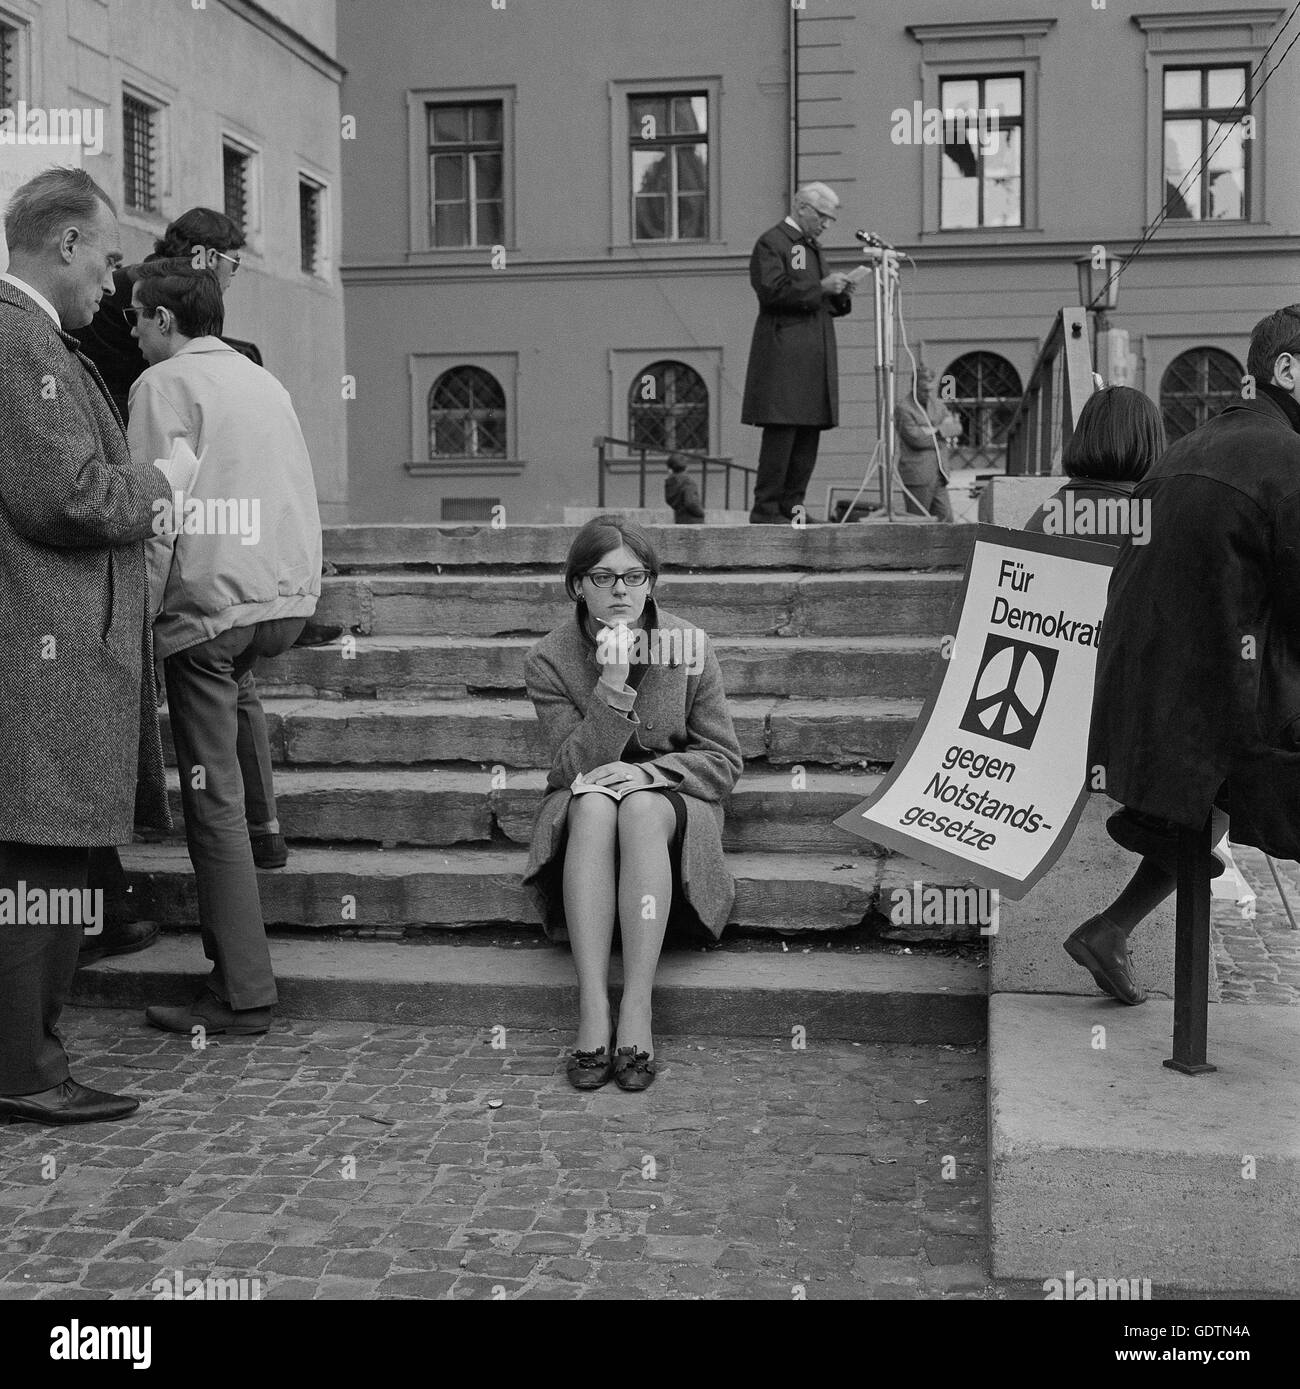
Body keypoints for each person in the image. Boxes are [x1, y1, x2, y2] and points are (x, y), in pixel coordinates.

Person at [0, 167, 171, 1124]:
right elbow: (66, 495)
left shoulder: (30, 338)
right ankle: (24, 1071)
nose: (112, 286)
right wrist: (158, 482)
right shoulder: (18, 339)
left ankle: (26, 1060)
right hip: (41, 657)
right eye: (106, 262)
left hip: (42, 654)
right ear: (63, 244)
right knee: (41, 867)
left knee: (46, 864)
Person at [125, 261, 323, 1038]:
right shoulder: (260, 379)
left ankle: (242, 991)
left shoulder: (162, 386)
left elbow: (151, 512)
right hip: (280, 598)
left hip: (209, 610)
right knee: (232, 778)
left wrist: (133, 626)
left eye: (138, 317)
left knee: (211, 805)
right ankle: (268, 840)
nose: (132, 331)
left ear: (167, 321)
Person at [1087, 312, 1300, 1003]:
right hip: (1209, 726)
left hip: (1136, 719)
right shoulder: (1288, 459)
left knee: (1205, 791)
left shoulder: (1183, 449)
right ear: (1289, 370)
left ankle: (1112, 926)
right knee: (1229, 763)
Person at [523, 516, 742, 1090]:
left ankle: (637, 1009)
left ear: (650, 583)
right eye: (603, 576)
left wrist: (647, 773)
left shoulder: (689, 645)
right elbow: (569, 771)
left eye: (634, 575)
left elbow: (722, 761)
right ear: (577, 586)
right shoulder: (549, 658)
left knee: (639, 808)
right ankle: (593, 1008)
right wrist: (612, 685)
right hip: (584, 802)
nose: (621, 590)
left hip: (670, 800)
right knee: (595, 806)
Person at [741, 182, 854, 524]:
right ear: (802, 207)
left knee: (806, 436)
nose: (826, 224)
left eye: (830, 219)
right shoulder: (772, 243)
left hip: (809, 354)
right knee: (783, 433)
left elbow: (816, 299)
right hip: (784, 355)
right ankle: (766, 510)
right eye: (822, 216)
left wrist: (840, 291)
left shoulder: (809, 246)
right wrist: (821, 287)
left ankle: (793, 507)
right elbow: (772, 292)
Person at [896, 365, 957, 521]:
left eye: (931, 389)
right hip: (918, 476)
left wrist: (931, 430)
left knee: (947, 521)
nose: (928, 394)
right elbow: (916, 439)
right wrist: (941, 430)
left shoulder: (937, 404)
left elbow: (956, 428)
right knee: (919, 523)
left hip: (939, 474)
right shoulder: (904, 408)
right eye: (924, 390)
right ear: (914, 386)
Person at [664, 453, 704, 524]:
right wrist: (701, 513)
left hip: (679, 518)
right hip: (693, 520)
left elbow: (669, 500)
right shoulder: (688, 482)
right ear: (686, 467)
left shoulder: (670, 483)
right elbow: (691, 502)